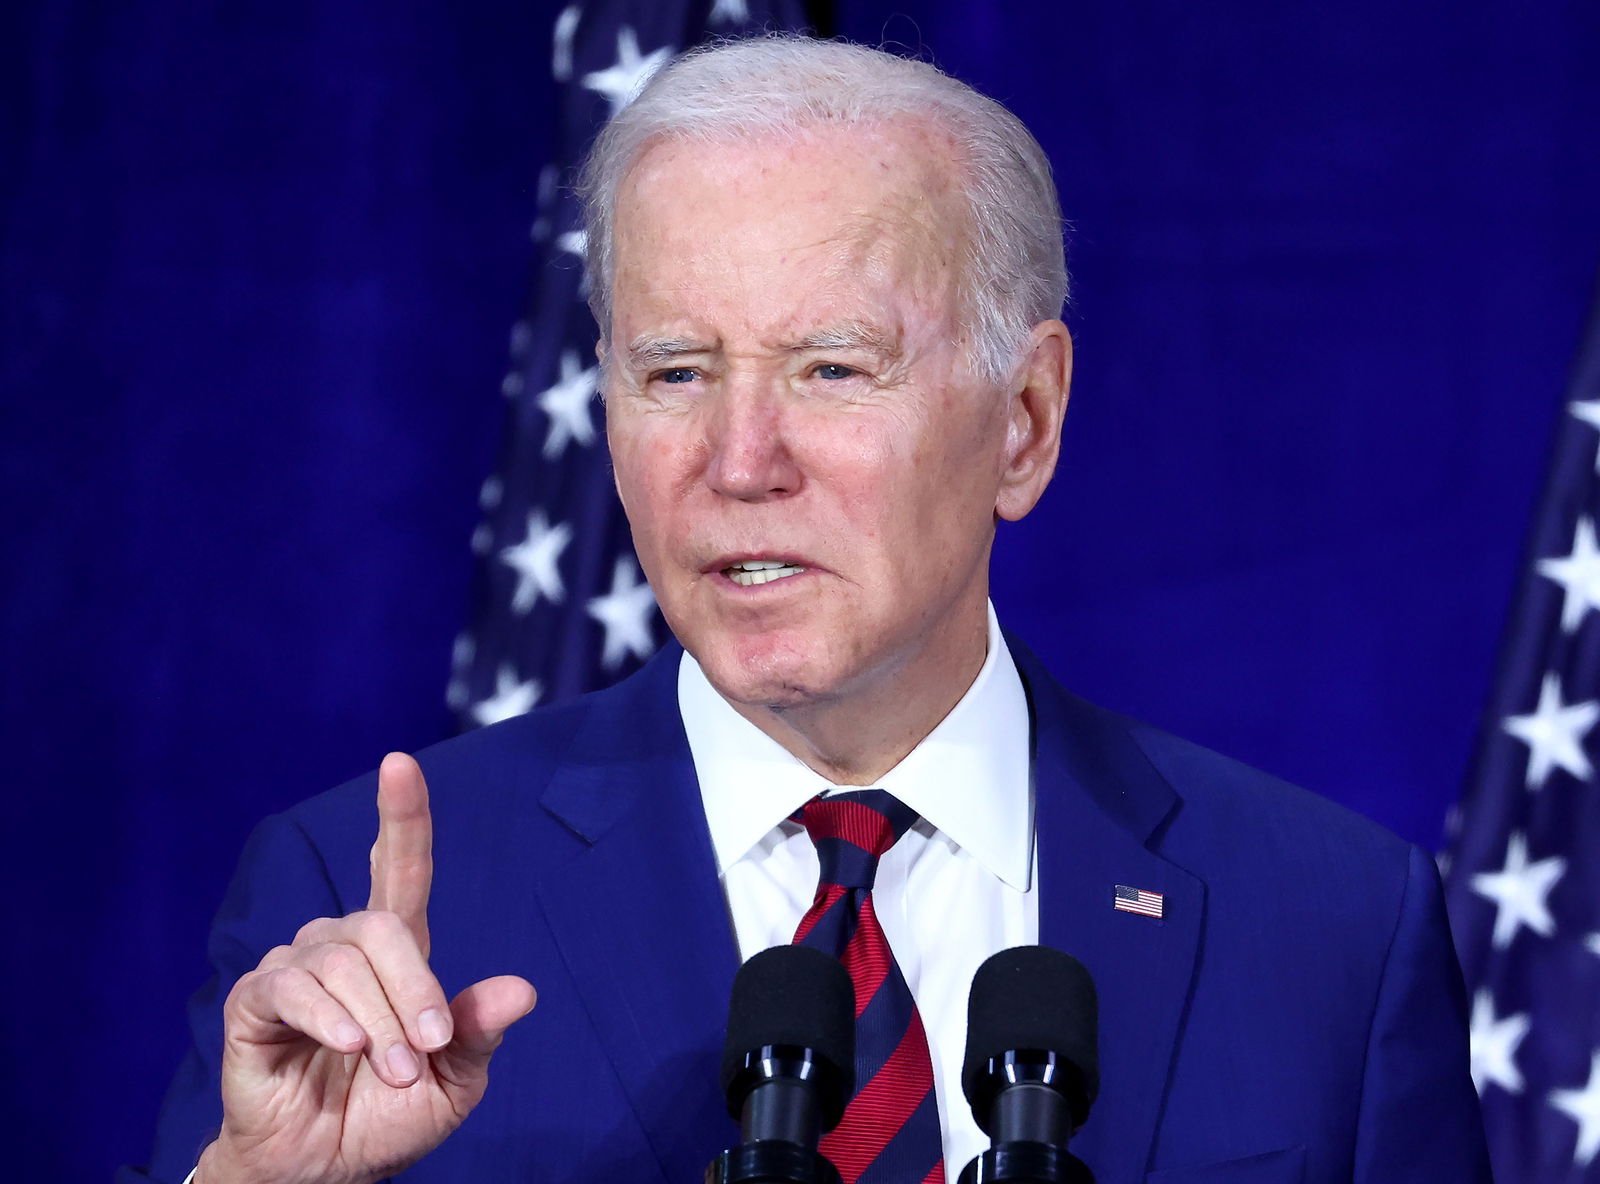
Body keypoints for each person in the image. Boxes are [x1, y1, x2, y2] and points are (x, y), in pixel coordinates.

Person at [127, 36, 1491, 1184]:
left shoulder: (1327, 932)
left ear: (1025, 420)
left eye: (832, 369)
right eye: (674, 373)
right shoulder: (362, 920)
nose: (739, 461)